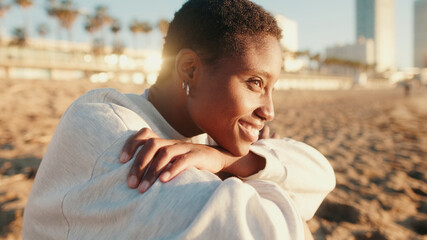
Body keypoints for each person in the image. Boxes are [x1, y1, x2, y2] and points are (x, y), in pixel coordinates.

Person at [23, 0, 335, 239]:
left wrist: (227, 162)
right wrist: (259, 184)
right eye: (255, 82)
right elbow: (263, 231)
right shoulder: (109, 130)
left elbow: (321, 175)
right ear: (189, 69)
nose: (269, 110)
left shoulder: (209, 136)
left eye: (271, 88)